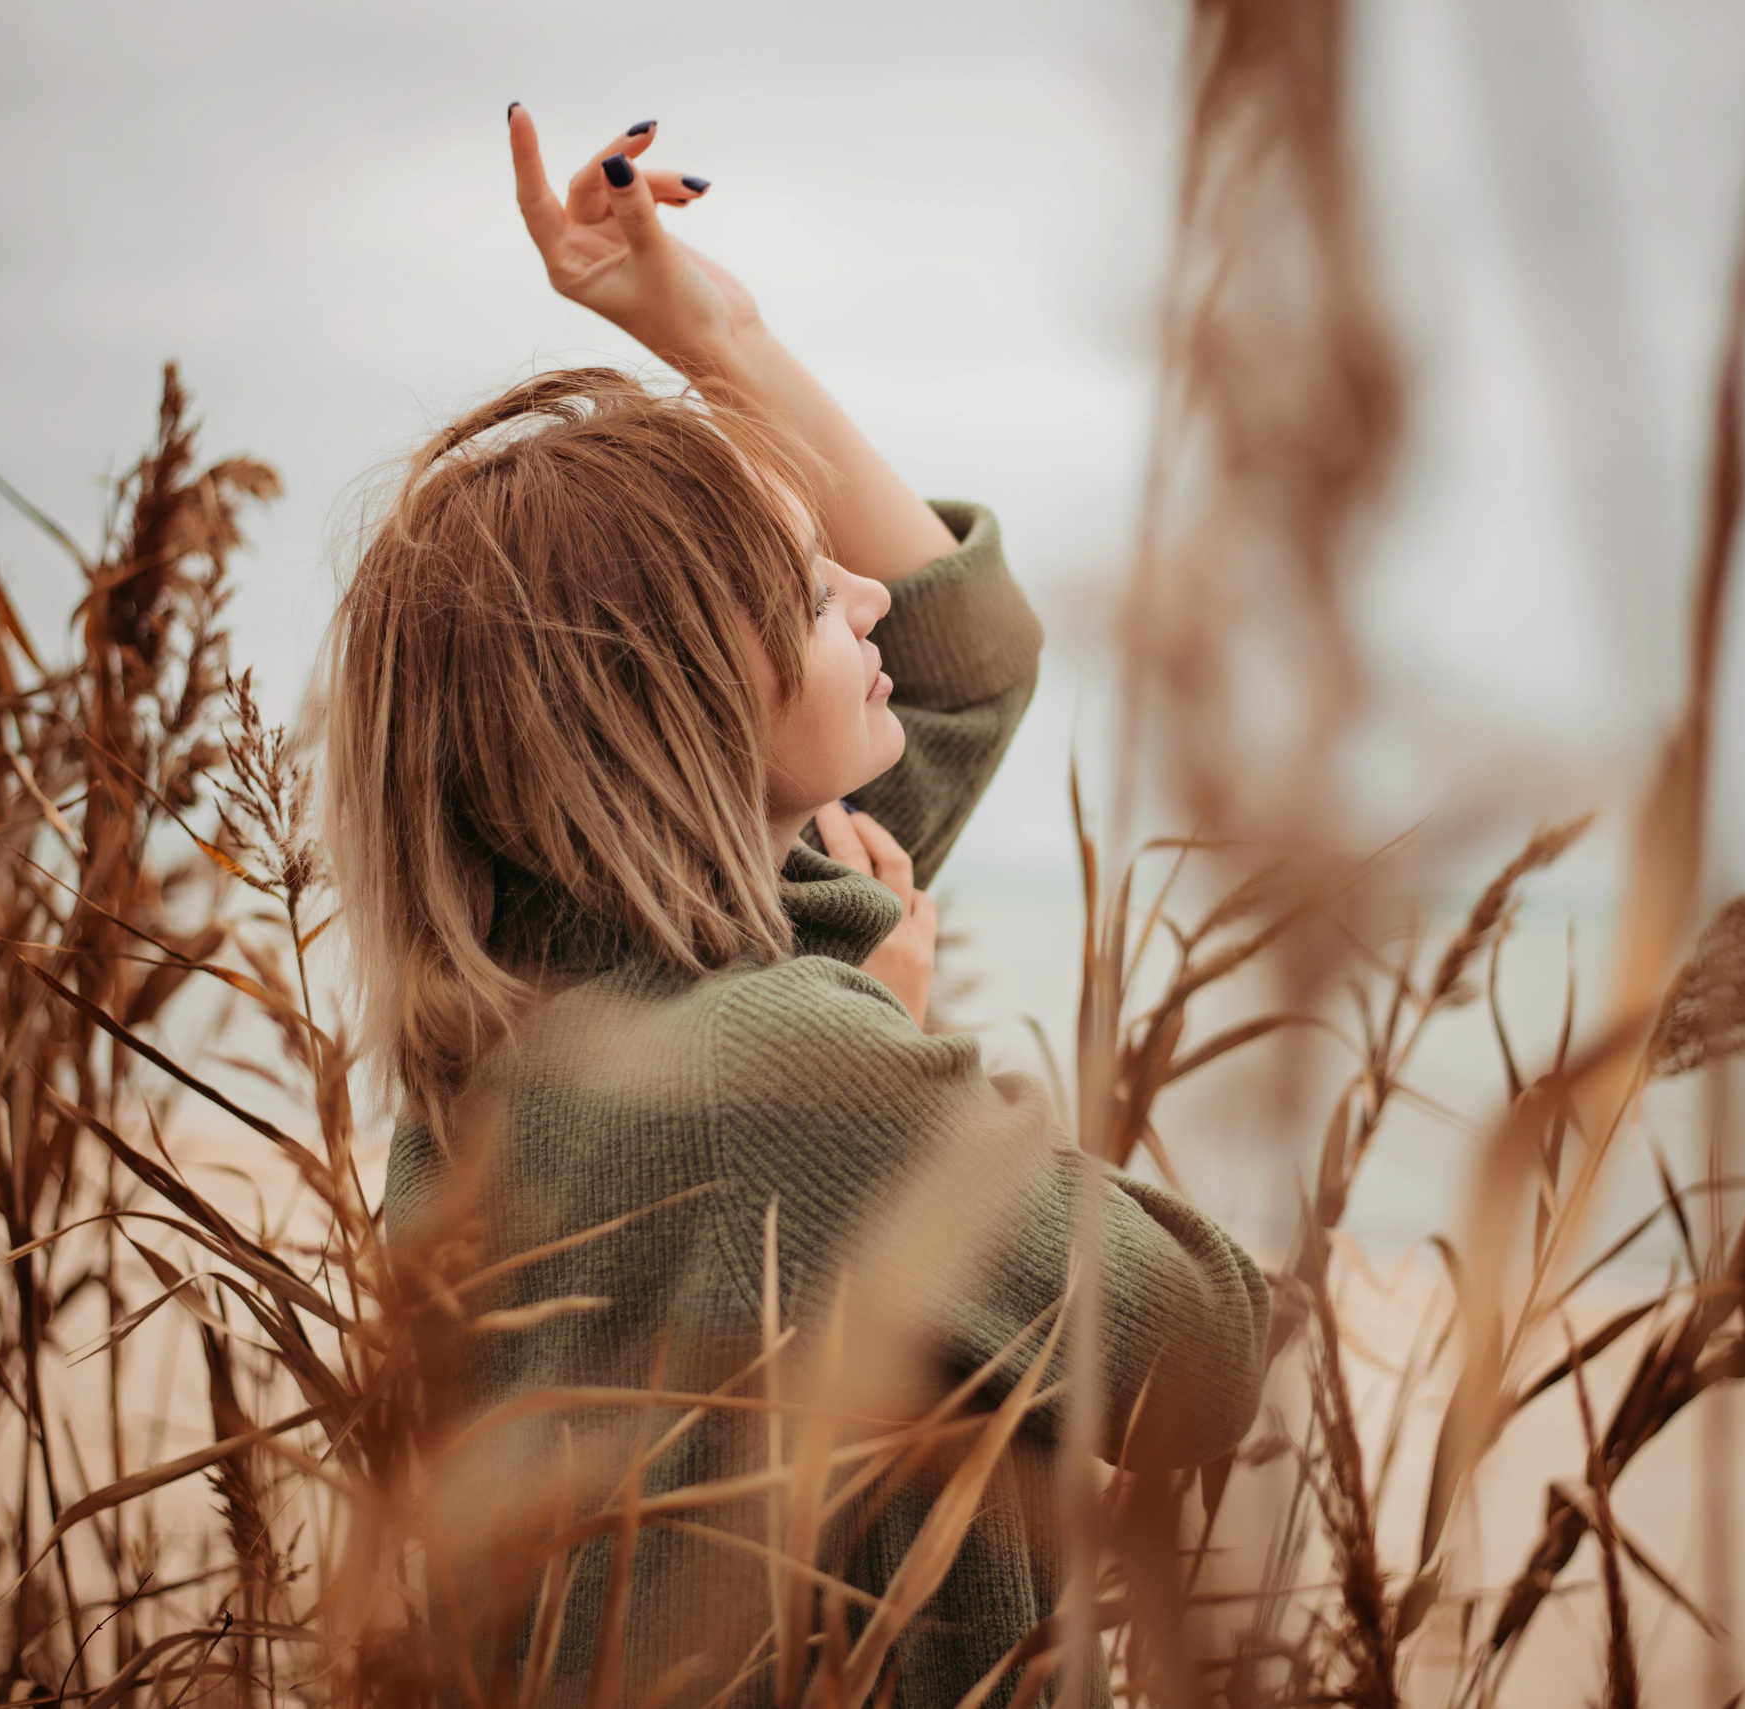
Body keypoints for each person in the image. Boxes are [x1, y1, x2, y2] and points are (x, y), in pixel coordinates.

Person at [324, 106, 1271, 1709]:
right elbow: (1203, 1355)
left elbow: (963, 659)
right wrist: (892, 1029)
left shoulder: (528, 1003)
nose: (864, 593)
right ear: (687, 701)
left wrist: (707, 331)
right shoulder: (788, 1056)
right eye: (801, 587)